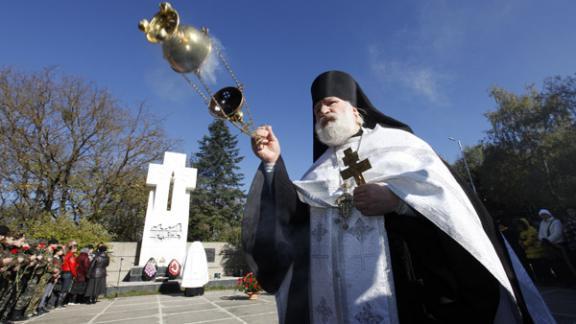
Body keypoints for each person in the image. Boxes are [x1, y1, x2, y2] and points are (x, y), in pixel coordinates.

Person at [242, 71, 554, 323]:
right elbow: (292, 223)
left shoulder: (401, 146)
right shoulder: (317, 172)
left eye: (330, 103)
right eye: (316, 109)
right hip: (334, 306)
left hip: (406, 293)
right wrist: (272, 163)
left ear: (355, 112)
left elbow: (451, 207)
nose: (322, 111)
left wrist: (399, 200)